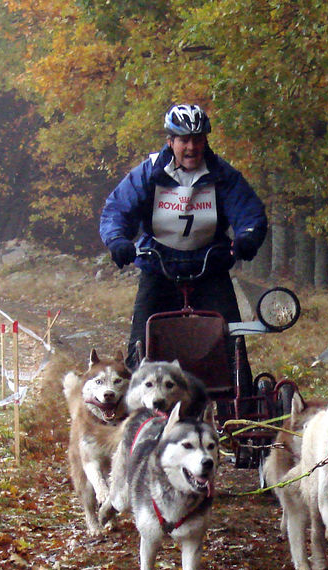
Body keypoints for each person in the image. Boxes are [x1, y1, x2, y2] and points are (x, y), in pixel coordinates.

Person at [99, 104, 267, 375]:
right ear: (170, 141)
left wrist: (248, 237)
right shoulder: (149, 173)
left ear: (205, 141)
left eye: (198, 139)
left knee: (230, 340)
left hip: (209, 266)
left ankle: (241, 398)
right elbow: (118, 208)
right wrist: (118, 239)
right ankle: (136, 407)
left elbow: (248, 210)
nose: (192, 147)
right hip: (159, 267)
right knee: (142, 341)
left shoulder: (222, 175)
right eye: (184, 140)